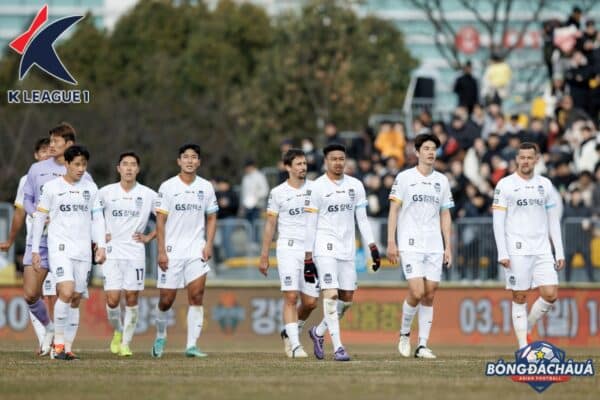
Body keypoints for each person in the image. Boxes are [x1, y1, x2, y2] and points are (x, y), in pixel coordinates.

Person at [304, 143, 381, 361]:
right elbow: (310, 224)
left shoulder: (355, 185)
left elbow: (363, 219)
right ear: (326, 161)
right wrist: (308, 256)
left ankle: (318, 333)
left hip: (347, 249)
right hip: (324, 247)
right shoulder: (317, 187)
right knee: (331, 295)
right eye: (333, 159)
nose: (338, 162)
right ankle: (338, 347)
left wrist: (372, 247)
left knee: (346, 300)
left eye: (341, 158)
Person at [22, 123, 92, 356]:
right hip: (41, 240)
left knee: (70, 294)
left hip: (70, 243)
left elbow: (92, 210)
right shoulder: (36, 169)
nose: (50, 145)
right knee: (31, 294)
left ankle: (64, 345)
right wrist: (38, 215)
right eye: (50, 141)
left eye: (55, 141)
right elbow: (28, 200)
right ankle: (50, 329)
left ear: (69, 145)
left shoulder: (84, 175)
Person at [31, 145, 106, 360]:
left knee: (75, 297)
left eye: (84, 165)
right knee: (65, 291)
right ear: (67, 164)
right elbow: (39, 219)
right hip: (60, 248)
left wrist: (100, 245)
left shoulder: (91, 189)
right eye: (76, 164)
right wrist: (36, 249)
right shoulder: (52, 188)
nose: (81, 169)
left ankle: (67, 347)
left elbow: (98, 218)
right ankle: (58, 346)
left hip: (83, 251)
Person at [387, 133, 454, 359]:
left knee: (430, 293)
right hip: (410, 242)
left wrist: (448, 246)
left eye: (433, 148)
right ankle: (405, 333)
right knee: (417, 291)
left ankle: (422, 345)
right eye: (426, 148)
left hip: (434, 244)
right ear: (417, 152)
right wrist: (391, 241)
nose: (430, 152)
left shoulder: (442, 181)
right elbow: (393, 210)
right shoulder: (405, 178)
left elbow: (445, 214)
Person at [492, 142, 565, 349]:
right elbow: (497, 221)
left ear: (536, 159)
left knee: (550, 294)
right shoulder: (505, 185)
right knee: (520, 296)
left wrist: (558, 250)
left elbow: (553, 220)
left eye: (529, 157)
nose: (525, 161)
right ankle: (524, 346)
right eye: (522, 157)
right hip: (516, 249)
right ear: (517, 159)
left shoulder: (546, 185)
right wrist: (502, 252)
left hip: (542, 249)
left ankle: (528, 326)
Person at [151, 144, 218, 358]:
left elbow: (212, 217)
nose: (190, 161)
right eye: (186, 157)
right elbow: (160, 221)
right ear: (179, 161)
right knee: (166, 300)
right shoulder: (168, 187)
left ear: (199, 162)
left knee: (197, 295)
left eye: (194, 157)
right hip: (172, 250)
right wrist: (161, 251)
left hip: (196, 249)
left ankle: (191, 346)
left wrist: (208, 244)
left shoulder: (206, 187)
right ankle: (161, 335)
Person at [259, 149, 319, 358]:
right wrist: (264, 255)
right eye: (298, 164)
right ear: (287, 167)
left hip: (311, 250)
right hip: (287, 247)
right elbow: (270, 225)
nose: (303, 167)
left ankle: (289, 331)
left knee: (311, 302)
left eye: (304, 163)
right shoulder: (278, 193)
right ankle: (295, 346)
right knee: (291, 296)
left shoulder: (315, 188)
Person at [97, 152, 157, 356]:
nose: (129, 168)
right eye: (125, 164)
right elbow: (91, 216)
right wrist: (99, 236)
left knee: (132, 297)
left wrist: (150, 236)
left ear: (138, 169)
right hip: (112, 251)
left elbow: (166, 217)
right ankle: (117, 331)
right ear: (118, 168)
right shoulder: (105, 192)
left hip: (135, 252)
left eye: (133, 164)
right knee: (113, 300)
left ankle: (126, 344)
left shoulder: (148, 194)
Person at [0, 138, 53, 353]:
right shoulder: (27, 179)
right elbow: (20, 212)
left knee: (55, 293)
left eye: (50, 151)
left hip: (59, 243)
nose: (46, 155)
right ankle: (43, 339)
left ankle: (57, 341)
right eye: (42, 151)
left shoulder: (62, 178)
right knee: (34, 294)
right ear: (35, 155)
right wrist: (11, 240)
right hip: (36, 244)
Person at [240, 159, 269, 224]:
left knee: (256, 227)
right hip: (247, 207)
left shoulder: (260, 176)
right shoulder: (245, 178)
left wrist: (255, 197)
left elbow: (265, 191)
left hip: (257, 207)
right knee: (248, 227)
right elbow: (244, 193)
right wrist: (243, 206)